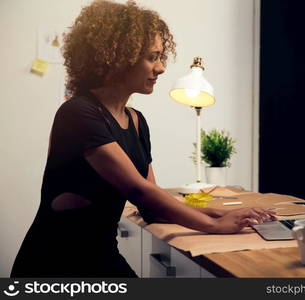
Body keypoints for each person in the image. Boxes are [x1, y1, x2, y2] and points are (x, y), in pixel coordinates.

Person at [11, 0, 276, 278]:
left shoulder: (136, 121)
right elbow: (139, 192)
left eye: (161, 56)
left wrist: (219, 214)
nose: (161, 68)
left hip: (100, 253)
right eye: (152, 57)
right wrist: (214, 226)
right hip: (56, 261)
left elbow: (153, 202)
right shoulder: (78, 113)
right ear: (118, 58)